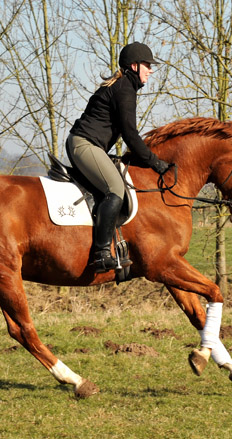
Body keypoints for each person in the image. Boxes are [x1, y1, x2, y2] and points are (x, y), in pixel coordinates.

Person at [67, 42, 170, 273]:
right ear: (134, 66)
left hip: (88, 145)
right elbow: (131, 136)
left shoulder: (122, 85)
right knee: (115, 189)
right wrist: (155, 163)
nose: (150, 70)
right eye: (147, 65)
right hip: (84, 144)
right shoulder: (125, 88)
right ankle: (101, 254)